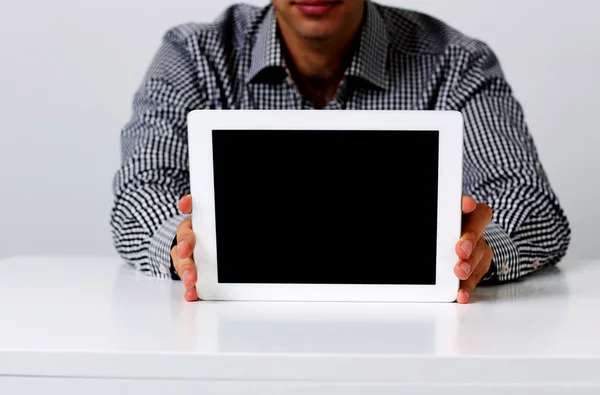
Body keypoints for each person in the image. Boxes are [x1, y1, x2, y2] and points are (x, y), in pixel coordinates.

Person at [110, 0, 571, 304]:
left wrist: (480, 249)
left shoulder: (455, 62)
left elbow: (526, 198)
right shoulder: (195, 55)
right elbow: (140, 190)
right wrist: (183, 241)